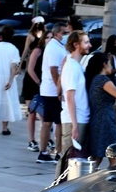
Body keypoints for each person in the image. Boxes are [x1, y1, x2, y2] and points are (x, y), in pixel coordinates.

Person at [57, 30, 92, 176]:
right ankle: (58, 191)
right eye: (86, 42)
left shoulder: (76, 65)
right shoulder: (71, 66)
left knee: (75, 160)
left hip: (79, 118)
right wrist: (75, 125)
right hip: (75, 120)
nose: (89, 45)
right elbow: (70, 97)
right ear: (76, 45)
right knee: (68, 160)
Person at [38, 22, 70, 163]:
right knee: (58, 122)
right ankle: (58, 152)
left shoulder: (56, 46)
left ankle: (44, 152)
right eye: (64, 33)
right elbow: (53, 70)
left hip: (48, 89)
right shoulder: (54, 48)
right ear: (57, 33)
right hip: (52, 90)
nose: (66, 36)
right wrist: (60, 89)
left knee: (48, 122)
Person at [25, 30, 53, 152]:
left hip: (44, 85)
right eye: (47, 38)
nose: (49, 40)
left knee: (43, 114)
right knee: (32, 113)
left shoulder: (51, 52)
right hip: (32, 84)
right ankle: (32, 141)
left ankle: (47, 139)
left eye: (51, 38)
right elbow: (30, 69)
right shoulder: (38, 50)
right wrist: (38, 83)